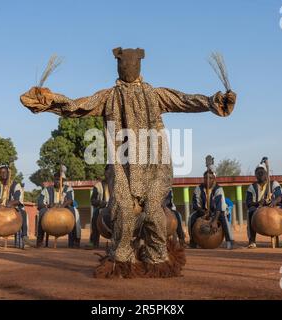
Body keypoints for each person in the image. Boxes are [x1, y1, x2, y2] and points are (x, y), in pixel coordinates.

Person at [20, 47, 236, 278]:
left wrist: (215, 101)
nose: (128, 68)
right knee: (123, 210)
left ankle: (157, 260)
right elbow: (76, 106)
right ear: (117, 65)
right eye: (123, 64)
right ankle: (121, 262)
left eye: (132, 64)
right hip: (122, 167)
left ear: (140, 65)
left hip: (155, 166)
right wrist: (48, 101)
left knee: (153, 211)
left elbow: (185, 100)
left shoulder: (154, 94)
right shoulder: (108, 96)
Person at [246, 163, 282, 249]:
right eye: (258, 172)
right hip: (259, 208)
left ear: (266, 174)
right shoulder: (251, 187)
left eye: (262, 172)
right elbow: (249, 203)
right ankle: (252, 241)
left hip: (275, 207)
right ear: (255, 174)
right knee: (250, 212)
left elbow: (279, 197)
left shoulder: (274, 183)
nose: (260, 174)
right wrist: (258, 203)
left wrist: (274, 202)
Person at [0, 164, 32, 250]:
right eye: (1, 172)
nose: (3, 174)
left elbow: (18, 200)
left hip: (12, 209)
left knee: (23, 212)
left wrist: (11, 203)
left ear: (9, 173)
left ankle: (25, 239)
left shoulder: (16, 185)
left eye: (5, 172)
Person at [189, 170, 234, 249]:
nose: (207, 180)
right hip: (202, 211)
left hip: (217, 212)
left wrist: (215, 220)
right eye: (205, 178)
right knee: (191, 218)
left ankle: (229, 241)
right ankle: (193, 241)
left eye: (210, 178)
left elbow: (219, 206)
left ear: (214, 179)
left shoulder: (218, 189)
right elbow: (195, 203)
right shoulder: (198, 188)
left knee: (223, 219)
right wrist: (202, 211)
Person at [36, 170, 81, 248]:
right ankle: (40, 240)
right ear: (53, 180)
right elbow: (40, 202)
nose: (57, 181)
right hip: (50, 210)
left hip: (65, 209)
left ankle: (75, 240)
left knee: (75, 212)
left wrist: (62, 206)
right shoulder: (46, 190)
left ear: (63, 181)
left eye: (59, 180)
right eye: (56, 179)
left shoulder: (68, 189)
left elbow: (70, 200)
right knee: (41, 212)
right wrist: (48, 206)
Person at [86, 165, 113, 249]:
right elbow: (93, 200)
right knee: (96, 213)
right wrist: (100, 202)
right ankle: (93, 241)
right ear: (105, 173)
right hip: (102, 208)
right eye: (109, 171)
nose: (111, 174)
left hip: (116, 208)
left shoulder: (118, 185)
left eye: (113, 172)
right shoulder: (98, 185)